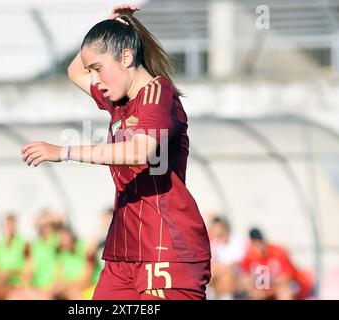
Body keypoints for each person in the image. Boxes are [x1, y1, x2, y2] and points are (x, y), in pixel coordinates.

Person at [21, 4, 211, 300]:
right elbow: (74, 71)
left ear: (126, 57)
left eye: (98, 68)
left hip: (167, 249)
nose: (94, 79)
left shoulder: (157, 96)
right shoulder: (118, 99)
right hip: (124, 252)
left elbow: (139, 151)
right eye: (93, 70)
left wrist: (64, 151)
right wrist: (112, 25)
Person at [239, 228, 313, 300]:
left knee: (284, 291)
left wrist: (269, 289)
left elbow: (287, 276)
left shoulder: (278, 251)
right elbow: (245, 278)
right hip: (266, 289)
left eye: (260, 242)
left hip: (287, 285)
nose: (259, 247)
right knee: (254, 294)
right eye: (255, 244)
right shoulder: (249, 256)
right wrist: (255, 288)